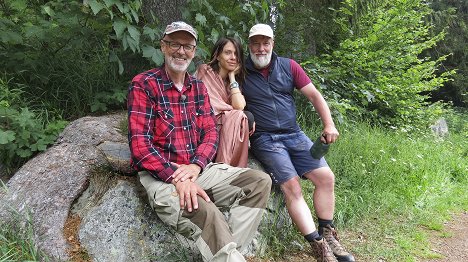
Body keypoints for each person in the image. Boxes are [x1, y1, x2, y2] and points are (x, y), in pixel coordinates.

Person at [127, 21, 272, 262]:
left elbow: (210, 134)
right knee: (208, 214)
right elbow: (140, 147)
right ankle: (228, 255)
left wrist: (195, 166)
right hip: (161, 177)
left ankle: (228, 254)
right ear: (163, 46)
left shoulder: (197, 88)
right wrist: (176, 178)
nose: (181, 51)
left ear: (194, 51)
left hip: (197, 170)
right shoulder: (144, 84)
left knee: (258, 182)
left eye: (187, 46)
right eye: (174, 44)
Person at [242, 23, 355, 262]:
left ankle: (329, 234)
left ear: (273, 44)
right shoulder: (240, 71)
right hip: (265, 138)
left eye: (266, 43)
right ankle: (318, 245)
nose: (260, 48)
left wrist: (329, 124)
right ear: (249, 45)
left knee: (326, 178)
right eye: (256, 43)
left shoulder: (288, 66)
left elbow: (314, 95)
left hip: (294, 134)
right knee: (292, 185)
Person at [195, 37, 253, 167]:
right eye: (228, 53)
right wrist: (240, 114)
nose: (233, 57)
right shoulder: (205, 71)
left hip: (222, 125)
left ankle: (229, 169)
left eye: (236, 54)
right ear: (217, 55)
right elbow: (210, 106)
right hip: (202, 125)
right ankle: (223, 165)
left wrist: (232, 77)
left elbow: (238, 106)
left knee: (239, 116)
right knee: (239, 116)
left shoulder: (231, 82)